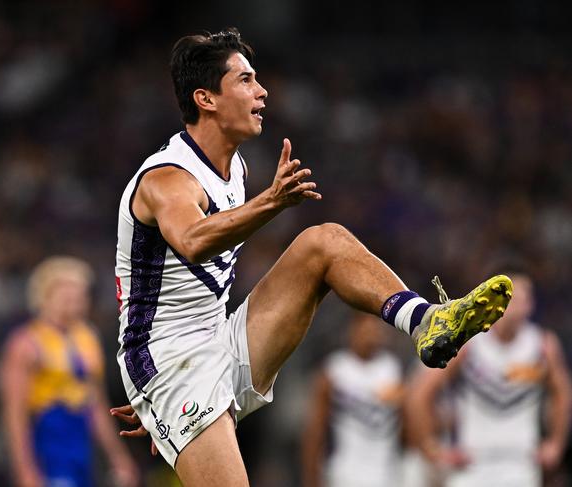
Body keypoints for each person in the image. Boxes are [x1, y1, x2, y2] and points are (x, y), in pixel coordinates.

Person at [112, 28, 512, 486]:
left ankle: (425, 322)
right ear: (206, 99)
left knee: (324, 242)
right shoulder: (167, 177)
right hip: (169, 362)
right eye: (244, 80)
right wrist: (157, 392)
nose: (261, 91)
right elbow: (192, 240)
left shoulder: (234, 166)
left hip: (215, 343)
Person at [406, 271, 572, 487]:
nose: (522, 305)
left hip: (521, 464)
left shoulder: (542, 346)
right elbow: (420, 392)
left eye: (526, 298)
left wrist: (556, 444)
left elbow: (562, 393)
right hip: (472, 465)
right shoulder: (469, 344)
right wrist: (431, 448)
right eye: (515, 298)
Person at [1, 256, 139, 487]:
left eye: (80, 296)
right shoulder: (26, 343)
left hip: (81, 437)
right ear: (45, 296)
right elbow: (15, 414)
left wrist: (119, 457)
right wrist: (25, 470)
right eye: (66, 296)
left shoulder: (87, 337)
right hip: (47, 435)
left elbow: (95, 401)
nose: (75, 303)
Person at [301, 312, 405, 487]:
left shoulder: (392, 369)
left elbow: (403, 424)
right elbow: (315, 430)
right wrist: (311, 477)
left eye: (375, 328)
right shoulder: (335, 370)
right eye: (365, 328)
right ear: (352, 330)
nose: (370, 334)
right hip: (344, 473)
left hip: (387, 473)